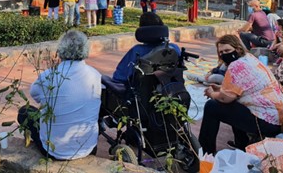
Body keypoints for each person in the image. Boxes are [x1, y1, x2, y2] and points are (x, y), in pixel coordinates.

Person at [198, 35, 283, 155]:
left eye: (227, 50)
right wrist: (222, 89)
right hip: (282, 117)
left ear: (237, 48)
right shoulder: (249, 58)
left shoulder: (236, 65)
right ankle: (241, 144)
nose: (224, 54)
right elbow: (239, 88)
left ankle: (205, 153)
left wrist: (212, 94)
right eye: (221, 52)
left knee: (212, 106)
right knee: (235, 103)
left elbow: (225, 98)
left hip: (270, 121)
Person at [17, 30, 101, 160]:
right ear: (85, 49)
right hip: (88, 148)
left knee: (24, 112)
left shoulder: (48, 76)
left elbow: (35, 96)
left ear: (60, 50)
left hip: (53, 150)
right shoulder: (95, 75)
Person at [112, 13, 180, 83]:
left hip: (143, 91)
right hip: (170, 88)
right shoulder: (174, 48)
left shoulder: (136, 51)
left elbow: (119, 77)